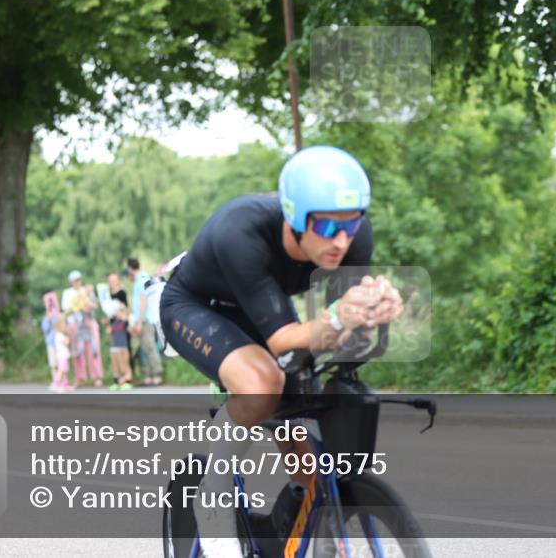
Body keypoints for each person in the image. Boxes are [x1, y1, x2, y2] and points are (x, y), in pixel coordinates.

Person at [158, 145, 404, 557]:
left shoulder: (353, 237)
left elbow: (344, 342)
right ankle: (213, 498)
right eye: (325, 227)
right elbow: (285, 339)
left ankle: (309, 516)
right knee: (263, 382)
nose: (341, 241)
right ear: (293, 216)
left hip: (263, 304)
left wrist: (375, 314)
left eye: (351, 224)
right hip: (198, 305)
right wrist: (338, 317)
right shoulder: (241, 230)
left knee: (300, 394)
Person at [61, 270, 104, 387]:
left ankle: (97, 376)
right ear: (71, 282)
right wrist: (77, 307)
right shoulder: (67, 293)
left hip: (88, 322)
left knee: (93, 350)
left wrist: (88, 303)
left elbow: (95, 305)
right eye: (75, 280)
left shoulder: (86, 290)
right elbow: (66, 310)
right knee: (77, 351)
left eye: (79, 279)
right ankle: (80, 377)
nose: (77, 282)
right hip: (75, 323)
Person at [126, 258, 163, 387]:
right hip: (142, 319)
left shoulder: (141, 279)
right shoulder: (140, 279)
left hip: (146, 319)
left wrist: (140, 321)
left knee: (149, 346)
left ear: (130, 268)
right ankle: (148, 376)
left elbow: (143, 301)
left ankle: (156, 374)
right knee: (144, 348)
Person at [108, 302, 133, 390]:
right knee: (115, 366)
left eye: (120, 311)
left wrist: (124, 314)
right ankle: (116, 382)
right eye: (117, 311)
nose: (118, 313)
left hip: (123, 346)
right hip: (114, 347)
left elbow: (129, 326)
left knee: (124, 365)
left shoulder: (125, 321)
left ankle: (127, 381)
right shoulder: (114, 321)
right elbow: (110, 332)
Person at [51, 319, 73, 393]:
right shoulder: (59, 335)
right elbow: (66, 343)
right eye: (63, 326)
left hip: (64, 356)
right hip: (61, 356)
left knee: (65, 371)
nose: (65, 327)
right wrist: (68, 335)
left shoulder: (61, 335)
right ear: (59, 327)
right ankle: (56, 384)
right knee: (61, 370)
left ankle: (65, 384)